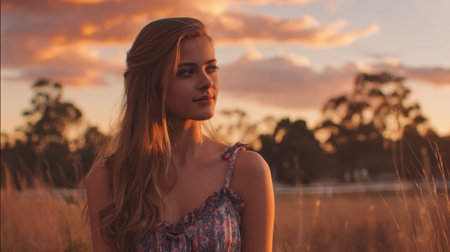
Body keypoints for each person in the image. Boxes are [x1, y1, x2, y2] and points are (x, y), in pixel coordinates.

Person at [86, 17, 274, 252]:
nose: (207, 82)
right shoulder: (109, 177)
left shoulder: (245, 170)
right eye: (186, 72)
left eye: (211, 68)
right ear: (151, 83)